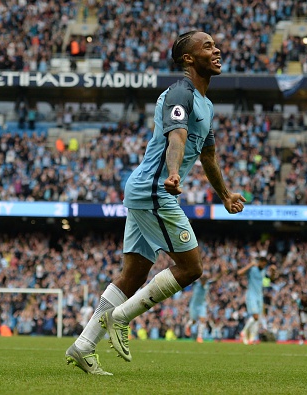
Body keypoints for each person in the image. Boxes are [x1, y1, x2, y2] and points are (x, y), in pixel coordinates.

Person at [66, 30, 246, 375]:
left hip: (146, 190)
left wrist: (225, 195)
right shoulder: (181, 92)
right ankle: (121, 316)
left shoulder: (205, 103)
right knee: (192, 268)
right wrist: (174, 173)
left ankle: (83, 346)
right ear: (188, 59)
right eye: (207, 45)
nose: (217, 48)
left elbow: (208, 155)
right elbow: (176, 136)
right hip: (155, 190)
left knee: (132, 275)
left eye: (215, 44)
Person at [237, 253, 276, 345]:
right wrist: (250, 264)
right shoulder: (252, 269)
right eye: (263, 263)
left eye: (265, 264)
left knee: (257, 319)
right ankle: (243, 332)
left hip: (259, 296)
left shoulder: (263, 271)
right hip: (251, 295)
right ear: (259, 262)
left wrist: (273, 271)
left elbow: (271, 279)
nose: (264, 265)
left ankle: (251, 339)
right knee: (255, 316)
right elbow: (239, 273)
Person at [183, 261, 226, 343]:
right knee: (194, 321)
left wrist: (222, 273)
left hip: (202, 304)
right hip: (194, 305)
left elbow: (216, 279)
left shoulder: (208, 283)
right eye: (203, 278)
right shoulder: (196, 283)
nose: (204, 280)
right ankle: (188, 326)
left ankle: (199, 337)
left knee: (203, 320)